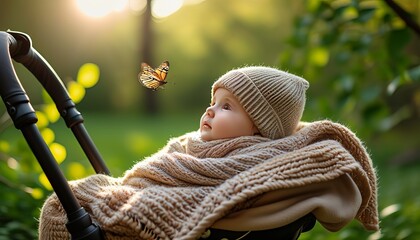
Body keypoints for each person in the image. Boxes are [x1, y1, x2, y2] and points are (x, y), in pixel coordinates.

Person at [39, 66, 379, 240]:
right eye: (213, 102)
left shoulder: (254, 160)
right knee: (78, 195)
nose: (211, 110)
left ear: (259, 128)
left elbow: (210, 191)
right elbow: (161, 170)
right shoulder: (191, 146)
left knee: (71, 207)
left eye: (227, 106)